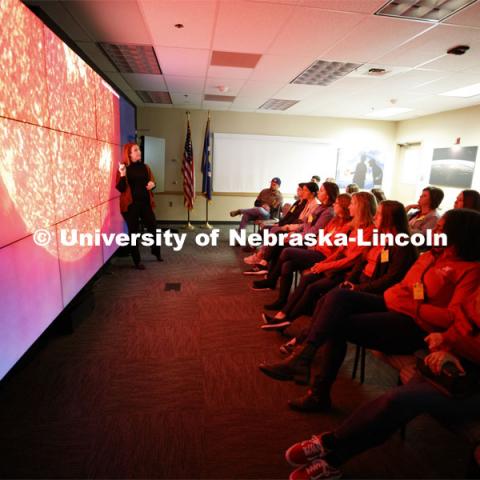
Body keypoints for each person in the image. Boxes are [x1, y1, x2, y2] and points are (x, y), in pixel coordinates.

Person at [258, 209, 480, 412]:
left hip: (416, 325)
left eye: (441, 229)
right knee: (337, 296)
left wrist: (411, 306)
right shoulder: (429, 256)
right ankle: (305, 358)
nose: (436, 232)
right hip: (393, 303)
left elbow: (450, 317)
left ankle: (315, 386)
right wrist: (394, 297)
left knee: (336, 323)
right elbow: (397, 287)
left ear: (459, 235)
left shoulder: (470, 270)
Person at [284, 287, 480, 480]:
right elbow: (460, 321)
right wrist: (446, 341)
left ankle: (330, 443)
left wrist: (451, 346)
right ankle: (333, 460)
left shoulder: (470, 270)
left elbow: (451, 320)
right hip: (454, 365)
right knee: (393, 408)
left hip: (471, 380)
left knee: (399, 400)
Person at [262, 200, 417, 332]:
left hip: (357, 279)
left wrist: (348, 280)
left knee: (316, 288)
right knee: (297, 269)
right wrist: (323, 264)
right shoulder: (358, 228)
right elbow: (348, 254)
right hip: (347, 272)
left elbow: (362, 265)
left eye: (353, 203)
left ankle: (291, 324)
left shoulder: (387, 239)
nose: (349, 206)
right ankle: (284, 316)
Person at [253, 191, 375, 311]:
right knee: (287, 263)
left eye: (337, 203)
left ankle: (268, 272)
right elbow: (317, 232)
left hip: (324, 255)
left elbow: (334, 247)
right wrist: (317, 242)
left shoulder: (347, 225)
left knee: (286, 251)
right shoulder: (334, 220)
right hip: (318, 249)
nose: (334, 205)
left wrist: (323, 260)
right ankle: (282, 300)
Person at [116, 142, 162, 269]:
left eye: (139, 150)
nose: (139, 152)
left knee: (153, 227)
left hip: (145, 203)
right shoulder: (123, 168)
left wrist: (153, 184)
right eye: (135, 150)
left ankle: (156, 252)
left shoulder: (145, 167)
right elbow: (121, 188)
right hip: (131, 206)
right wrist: (122, 175)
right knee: (133, 233)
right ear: (129, 154)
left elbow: (153, 182)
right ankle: (137, 261)